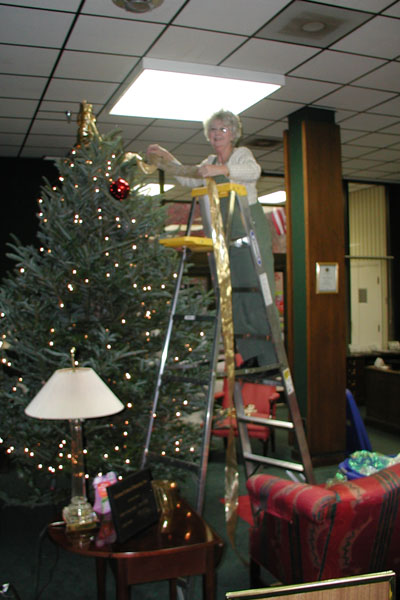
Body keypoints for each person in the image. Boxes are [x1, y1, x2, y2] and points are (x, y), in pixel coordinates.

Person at [147, 109, 277, 369]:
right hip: (225, 227)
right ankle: (248, 351)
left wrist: (219, 169)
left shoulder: (241, 155)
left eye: (222, 129)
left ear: (233, 134)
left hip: (247, 223)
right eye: (213, 130)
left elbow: (253, 171)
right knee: (233, 290)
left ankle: (269, 354)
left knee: (256, 288)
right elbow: (188, 176)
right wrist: (168, 159)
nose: (217, 134)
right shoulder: (208, 159)